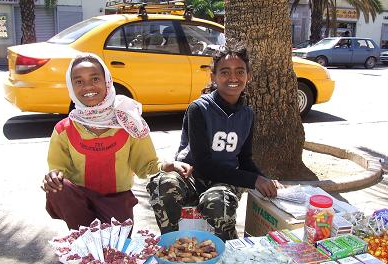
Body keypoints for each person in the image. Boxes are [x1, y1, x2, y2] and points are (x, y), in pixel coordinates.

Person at [146, 44, 284, 240]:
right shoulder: (199, 109)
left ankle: (224, 249)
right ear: (213, 77)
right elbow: (203, 165)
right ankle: (175, 246)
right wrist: (253, 180)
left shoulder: (248, 114)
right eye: (225, 72)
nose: (233, 78)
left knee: (218, 201)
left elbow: (244, 159)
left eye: (240, 71)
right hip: (193, 175)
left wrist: (264, 179)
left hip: (224, 180)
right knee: (165, 184)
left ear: (249, 76)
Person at [41, 53, 191, 230]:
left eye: (95, 78)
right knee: (59, 190)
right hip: (80, 203)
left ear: (107, 81)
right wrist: (53, 177)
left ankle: (92, 237)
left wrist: (167, 166)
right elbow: (59, 170)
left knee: (115, 250)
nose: (87, 86)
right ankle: (83, 234)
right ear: (71, 87)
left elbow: (146, 165)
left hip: (117, 201)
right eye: (79, 81)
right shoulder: (64, 129)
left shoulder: (129, 121)